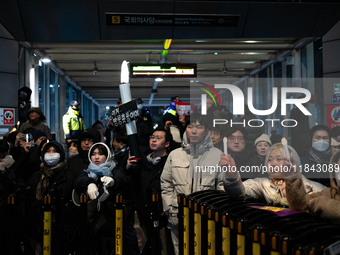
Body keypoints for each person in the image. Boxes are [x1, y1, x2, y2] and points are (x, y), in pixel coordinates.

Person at [160, 113, 226, 255]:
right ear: (185, 129)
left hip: (207, 221)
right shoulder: (175, 154)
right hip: (178, 217)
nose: (194, 131)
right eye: (190, 127)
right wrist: (169, 208)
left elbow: (222, 188)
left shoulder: (217, 155)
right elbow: (166, 184)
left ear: (207, 131)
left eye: (199, 127)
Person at [75, 142, 135, 254]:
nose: (96, 157)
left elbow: (124, 180)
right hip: (92, 224)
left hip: (112, 224)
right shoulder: (87, 171)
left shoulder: (114, 169)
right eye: (93, 154)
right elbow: (78, 180)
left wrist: (114, 182)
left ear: (107, 156)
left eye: (100, 154)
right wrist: (90, 183)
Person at [221, 143, 325, 206]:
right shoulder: (261, 184)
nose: (273, 164)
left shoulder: (314, 187)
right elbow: (239, 193)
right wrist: (231, 176)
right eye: (269, 159)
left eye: (279, 159)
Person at [25, 141, 77, 254]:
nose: (51, 154)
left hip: (62, 230)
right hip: (38, 229)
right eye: (48, 151)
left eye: (55, 151)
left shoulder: (69, 176)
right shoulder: (35, 177)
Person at [135, 127, 174, 255]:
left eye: (158, 138)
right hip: (145, 212)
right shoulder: (144, 162)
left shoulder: (171, 162)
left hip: (163, 213)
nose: (153, 140)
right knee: (146, 245)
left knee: (164, 247)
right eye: (152, 137)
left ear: (167, 144)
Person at [285, 150, 340, 225]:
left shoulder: (321, 199)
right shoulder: (330, 192)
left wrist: (318, 203)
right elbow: (302, 205)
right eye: (338, 166)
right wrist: (293, 177)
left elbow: (314, 203)